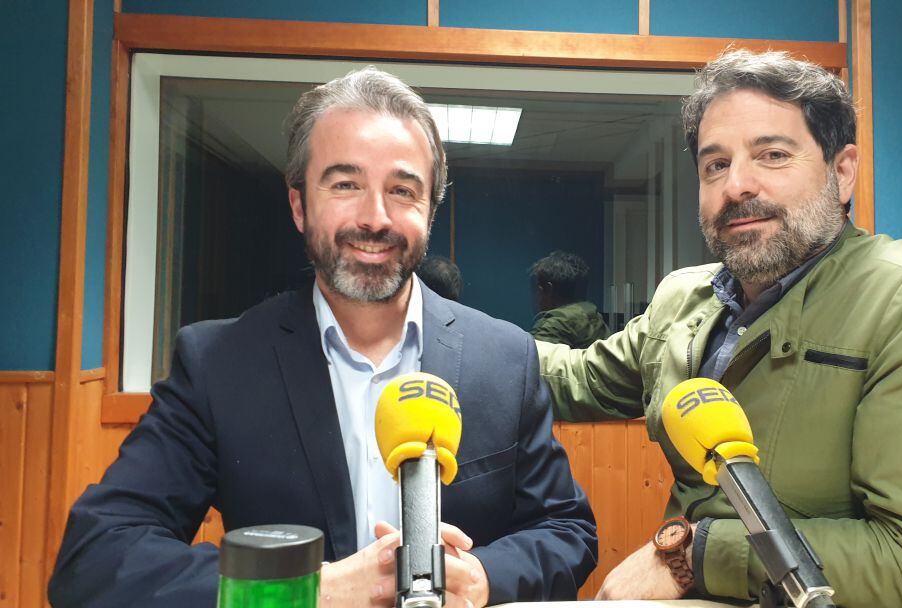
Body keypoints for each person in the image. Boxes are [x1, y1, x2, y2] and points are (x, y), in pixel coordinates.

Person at [49, 67, 597, 608]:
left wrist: (484, 578)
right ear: (298, 205)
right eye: (345, 184)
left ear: (429, 211)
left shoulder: (505, 358)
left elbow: (568, 529)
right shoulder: (218, 365)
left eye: (403, 190)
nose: (375, 217)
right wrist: (309, 588)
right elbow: (95, 556)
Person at [537, 49, 902, 607]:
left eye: (772, 154)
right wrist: (433, 326)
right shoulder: (682, 299)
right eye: (715, 165)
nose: (737, 184)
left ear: (841, 173)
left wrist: (691, 557)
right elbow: (571, 379)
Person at [528, 250, 610, 349]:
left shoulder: (551, 328)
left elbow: (531, 362)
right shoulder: (594, 317)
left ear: (549, 289)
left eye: (538, 290)